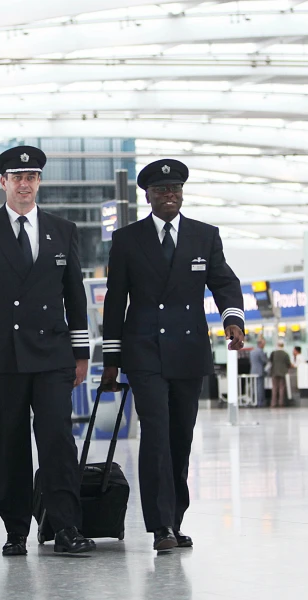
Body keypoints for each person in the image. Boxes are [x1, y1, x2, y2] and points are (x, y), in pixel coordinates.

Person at [0, 145, 95, 556]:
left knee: (57, 441)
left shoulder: (62, 230)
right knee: (9, 446)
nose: (25, 184)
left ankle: (65, 527)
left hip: (52, 354)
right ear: (3, 183)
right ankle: (15, 529)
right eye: (17, 178)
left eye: (31, 177)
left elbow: (74, 295)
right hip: (0, 357)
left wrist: (80, 352)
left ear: (39, 182)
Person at [100, 158, 245, 552]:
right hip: (144, 350)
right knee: (157, 437)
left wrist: (233, 321)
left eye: (176, 190)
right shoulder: (128, 240)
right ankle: (160, 525)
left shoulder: (204, 236)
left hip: (188, 351)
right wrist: (110, 360)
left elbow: (224, 282)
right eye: (162, 191)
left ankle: (176, 520)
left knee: (180, 438)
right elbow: (115, 303)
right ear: (147, 196)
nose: (170, 196)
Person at [269, 340, 292, 408]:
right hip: (282, 372)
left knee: (274, 388)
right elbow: (288, 363)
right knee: (281, 388)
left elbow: (270, 361)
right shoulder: (285, 354)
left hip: (274, 372)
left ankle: (273, 403)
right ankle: (281, 402)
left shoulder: (273, 353)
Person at [249, 338, 268, 407]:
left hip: (253, 371)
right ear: (260, 344)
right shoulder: (260, 351)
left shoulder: (252, 351)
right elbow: (264, 361)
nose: (264, 346)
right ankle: (260, 402)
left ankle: (254, 401)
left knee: (254, 387)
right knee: (259, 388)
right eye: (263, 344)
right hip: (259, 372)